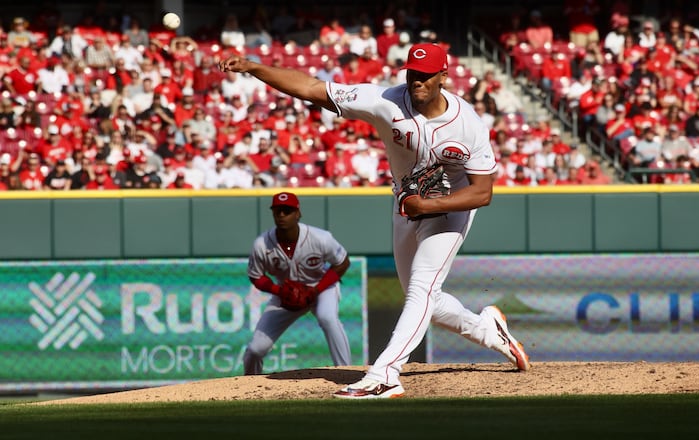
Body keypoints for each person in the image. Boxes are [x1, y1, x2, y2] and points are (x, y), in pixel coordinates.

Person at [219, 42, 529, 399]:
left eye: (426, 75)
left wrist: (428, 207)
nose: (417, 82)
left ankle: (384, 374)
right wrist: (255, 68)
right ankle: (490, 331)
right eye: (413, 74)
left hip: (450, 209)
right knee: (427, 298)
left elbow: (482, 193)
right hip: (407, 206)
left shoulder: (467, 123)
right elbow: (310, 88)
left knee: (421, 289)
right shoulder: (385, 100)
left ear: (444, 76)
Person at [243, 192, 352, 374]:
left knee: (328, 317)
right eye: (278, 211)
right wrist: (278, 291)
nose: (282, 215)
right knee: (256, 349)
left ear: (298, 214)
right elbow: (256, 276)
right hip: (285, 294)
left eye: (287, 211)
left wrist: (316, 290)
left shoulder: (320, 237)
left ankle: (347, 372)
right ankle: (248, 385)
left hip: (320, 287)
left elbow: (342, 262)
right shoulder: (262, 244)